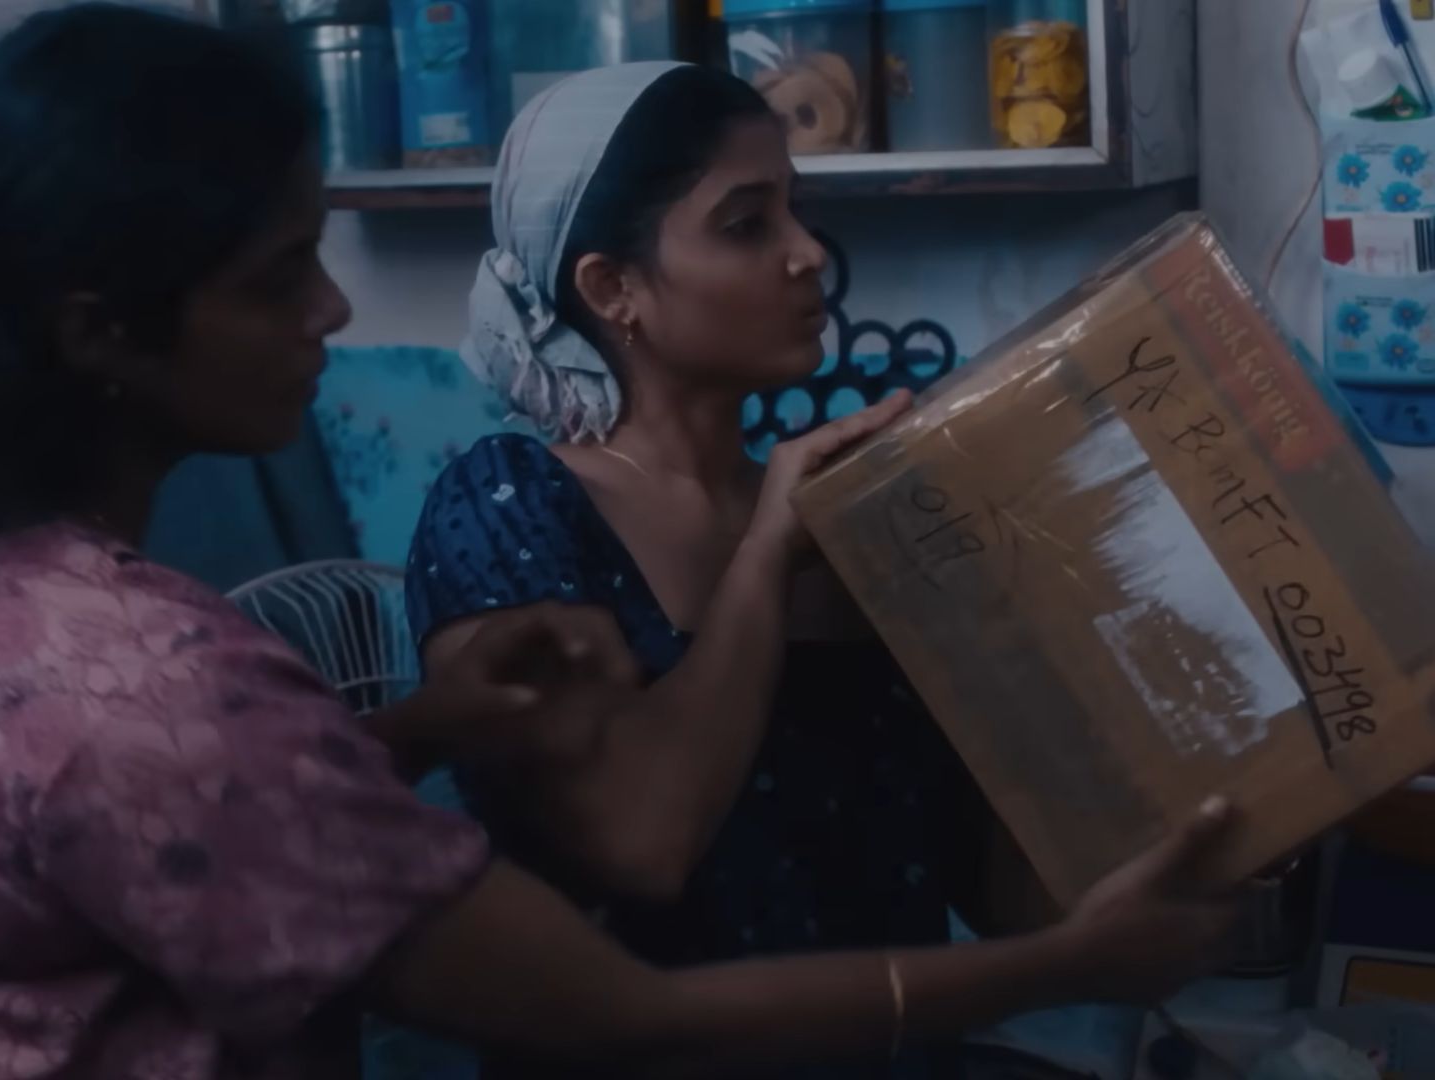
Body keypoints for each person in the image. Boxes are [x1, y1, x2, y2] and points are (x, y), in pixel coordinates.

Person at [0, 11, 1241, 1078]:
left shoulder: (10, 611)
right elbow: (626, 993)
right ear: (613, 287)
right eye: (276, 276)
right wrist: (1071, 974)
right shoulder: (482, 521)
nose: (330, 310)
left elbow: (193, 811)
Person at [407, 61, 1243, 1078]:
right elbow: (642, 839)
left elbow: (991, 891)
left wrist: (1196, 803)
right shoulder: (511, 503)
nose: (809, 255)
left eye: (798, 213)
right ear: (610, 288)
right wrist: (769, 554)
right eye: (746, 224)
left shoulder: (855, 521)